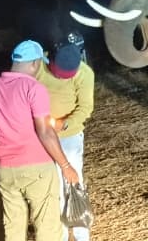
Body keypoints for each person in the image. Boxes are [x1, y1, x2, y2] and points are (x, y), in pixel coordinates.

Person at [0, 40, 80, 241]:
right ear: (34, 63)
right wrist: (66, 165)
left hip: (6, 168)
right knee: (47, 227)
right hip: (37, 167)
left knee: (13, 228)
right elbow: (45, 132)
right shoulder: (34, 88)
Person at [35, 32, 95, 241]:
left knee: (73, 182)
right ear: (50, 59)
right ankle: (58, 234)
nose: (62, 78)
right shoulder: (38, 66)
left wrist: (65, 123)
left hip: (69, 136)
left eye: (67, 75)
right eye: (59, 74)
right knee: (52, 187)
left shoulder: (85, 73)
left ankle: (81, 234)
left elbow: (86, 108)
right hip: (41, 135)